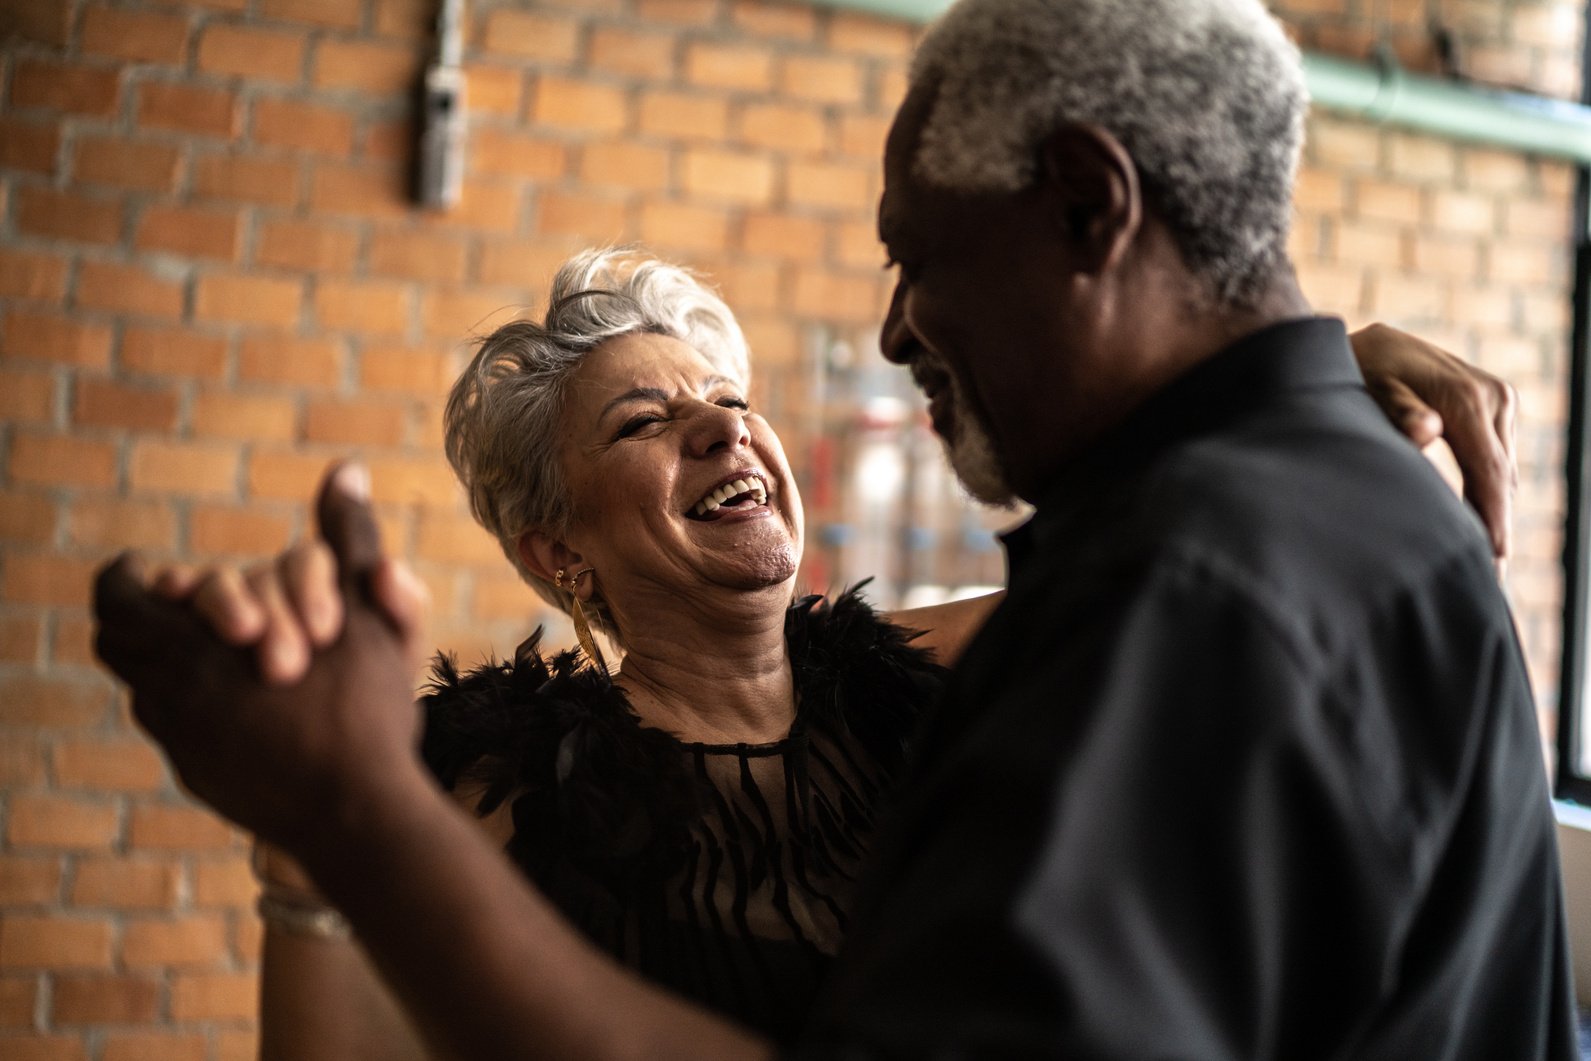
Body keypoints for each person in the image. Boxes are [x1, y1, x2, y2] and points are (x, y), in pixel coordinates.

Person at [93, 1, 1575, 1056]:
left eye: (916, 257)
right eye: (640, 422)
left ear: (1087, 207)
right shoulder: (1275, 534)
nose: (891, 329)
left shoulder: (1141, 609)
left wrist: (1315, 375)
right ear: (555, 552)